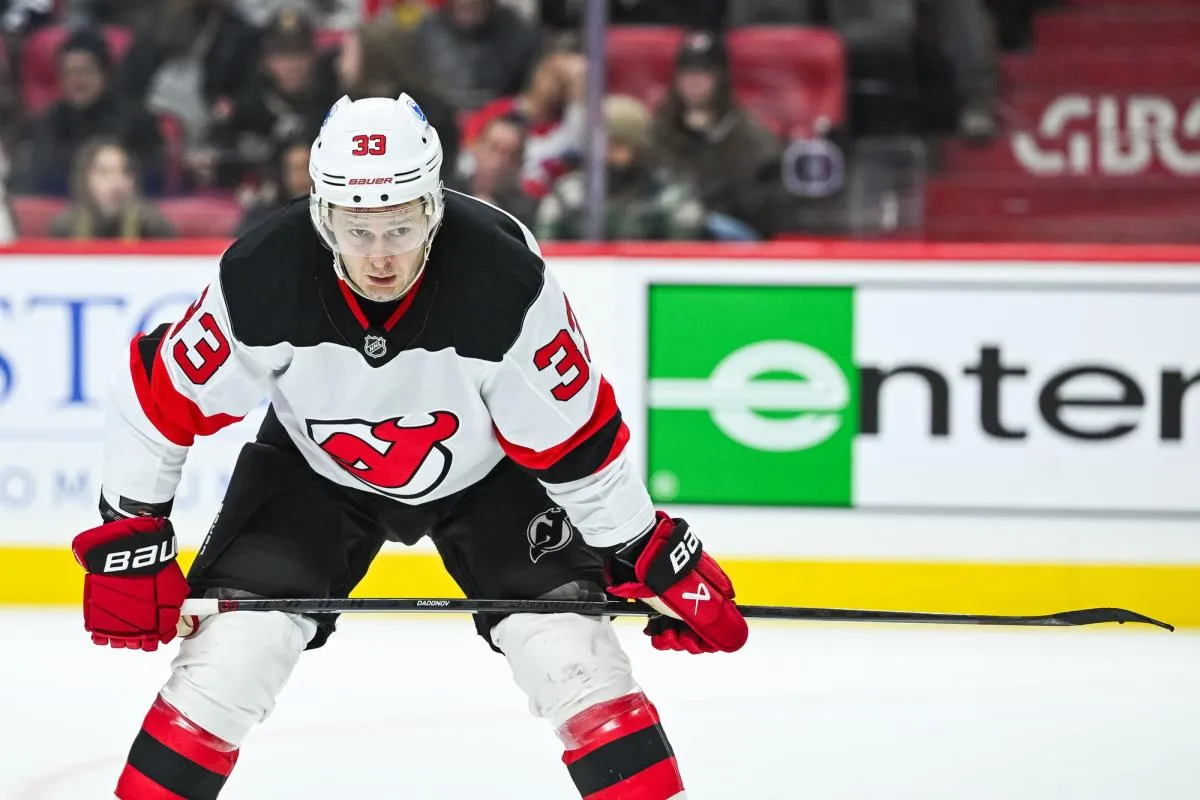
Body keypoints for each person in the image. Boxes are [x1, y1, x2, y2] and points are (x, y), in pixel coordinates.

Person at [70, 93, 747, 799]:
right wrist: (132, 534)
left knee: (578, 664)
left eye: (401, 225)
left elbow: (577, 446)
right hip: (313, 475)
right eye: (357, 230)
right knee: (225, 667)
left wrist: (645, 550)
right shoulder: (262, 275)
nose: (382, 257)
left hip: (494, 478)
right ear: (322, 213)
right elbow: (155, 401)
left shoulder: (504, 281)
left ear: (434, 204)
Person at [654, 30, 788, 240]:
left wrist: (709, 142)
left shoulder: (753, 140)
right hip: (667, 240)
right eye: (687, 74)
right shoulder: (661, 130)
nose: (693, 82)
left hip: (730, 247)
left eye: (703, 74)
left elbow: (766, 213)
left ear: (721, 79)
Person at [536, 94, 706, 241]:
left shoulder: (670, 196)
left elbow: (682, 260)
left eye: (616, 144)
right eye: (600, 145)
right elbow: (547, 254)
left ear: (638, 148)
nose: (605, 154)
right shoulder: (569, 194)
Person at [23, 27, 164, 195]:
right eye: (68, 73)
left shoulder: (138, 121)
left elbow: (151, 178)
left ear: (105, 74)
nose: (77, 80)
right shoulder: (49, 121)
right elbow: (39, 176)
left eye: (85, 71)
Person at [48, 137, 176, 239]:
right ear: (84, 179)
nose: (116, 182)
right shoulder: (66, 226)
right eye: (104, 173)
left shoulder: (153, 226)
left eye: (124, 172)